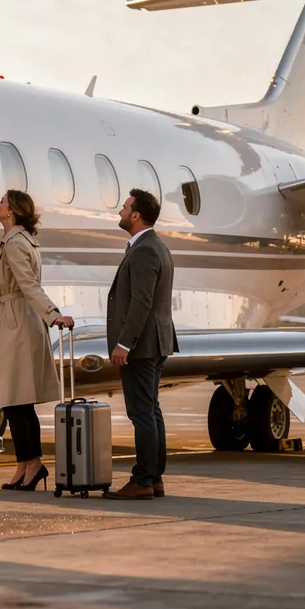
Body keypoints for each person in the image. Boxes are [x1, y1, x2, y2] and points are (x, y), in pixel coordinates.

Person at [0, 190, 74, 491]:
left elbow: (28, 285)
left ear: (11, 211)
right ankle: (25, 465)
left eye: (2, 202)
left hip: (16, 322)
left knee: (16, 401)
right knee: (18, 402)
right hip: (17, 319)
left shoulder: (14, 244)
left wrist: (53, 314)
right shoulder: (22, 240)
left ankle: (32, 464)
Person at [105, 189, 178, 500]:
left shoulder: (145, 250)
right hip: (154, 342)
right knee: (151, 410)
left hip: (142, 345)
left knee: (142, 414)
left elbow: (141, 302)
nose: (121, 211)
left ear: (136, 215)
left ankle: (144, 480)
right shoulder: (155, 246)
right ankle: (155, 478)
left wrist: (124, 343)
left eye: (124, 207)